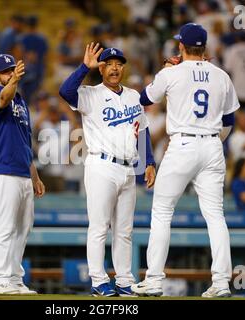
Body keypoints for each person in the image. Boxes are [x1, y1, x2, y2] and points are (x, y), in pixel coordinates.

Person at [131, 23, 240, 298]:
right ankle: (222, 282)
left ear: (181, 46)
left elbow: (145, 98)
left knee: (162, 211)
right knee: (216, 216)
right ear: (204, 48)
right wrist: (213, 142)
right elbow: (229, 120)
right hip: (213, 145)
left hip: (182, 144)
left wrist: (166, 71)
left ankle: (154, 280)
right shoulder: (221, 75)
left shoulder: (172, 73)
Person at [59, 44, 156, 296]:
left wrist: (149, 162)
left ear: (123, 67)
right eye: (109, 63)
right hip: (101, 165)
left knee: (124, 231)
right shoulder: (90, 94)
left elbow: (142, 130)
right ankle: (98, 280)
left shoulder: (134, 96)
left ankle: (124, 280)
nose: (114, 67)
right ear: (101, 68)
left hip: (128, 169)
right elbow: (65, 91)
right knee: (100, 227)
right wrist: (84, 68)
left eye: (118, 63)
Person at [0, 53, 45, 294]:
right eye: (6, 71)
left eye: (12, 70)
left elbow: (24, 142)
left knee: (23, 228)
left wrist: (35, 176)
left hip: (22, 172)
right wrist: (13, 82)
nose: (11, 74)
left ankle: (13, 278)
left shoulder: (21, 103)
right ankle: (1, 278)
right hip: (3, 170)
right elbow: (3, 98)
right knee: (5, 227)